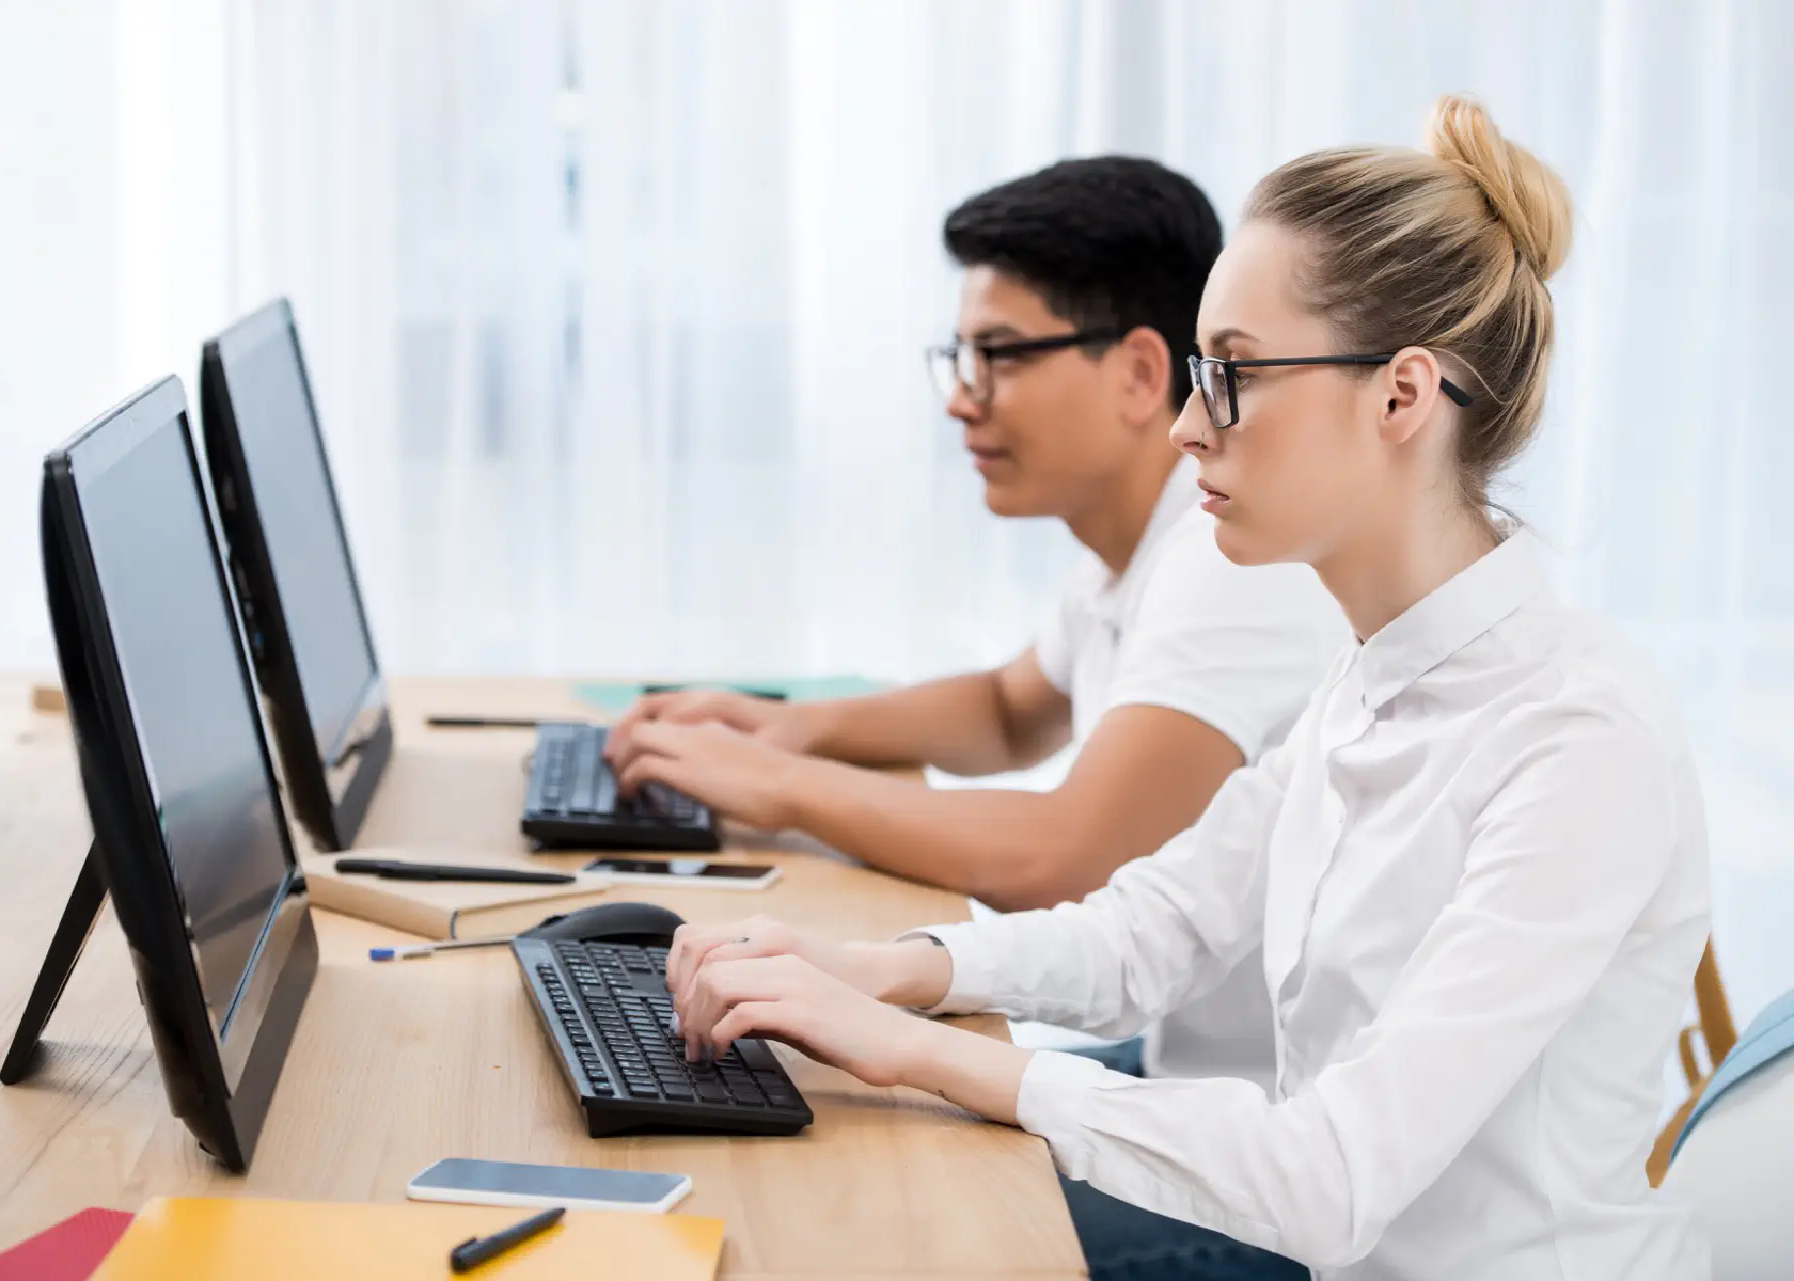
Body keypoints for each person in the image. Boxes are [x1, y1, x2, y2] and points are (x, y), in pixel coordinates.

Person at [656, 96, 1713, 1281]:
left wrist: (911, 1048)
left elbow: (1333, 1178)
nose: (1187, 430)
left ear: (1402, 398)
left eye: (1235, 377)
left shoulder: (1575, 737)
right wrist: (882, 969)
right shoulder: (1375, 677)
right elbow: (1153, 930)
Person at [605, 158, 1344, 1103]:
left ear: (1138, 373)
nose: (962, 395)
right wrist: (792, 727)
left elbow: (1068, 855)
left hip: (1271, 1123)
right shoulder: (1138, 544)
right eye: (961, 357)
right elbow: (1007, 711)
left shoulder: (1225, 562)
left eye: (999, 356)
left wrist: (782, 786)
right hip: (1192, 1066)